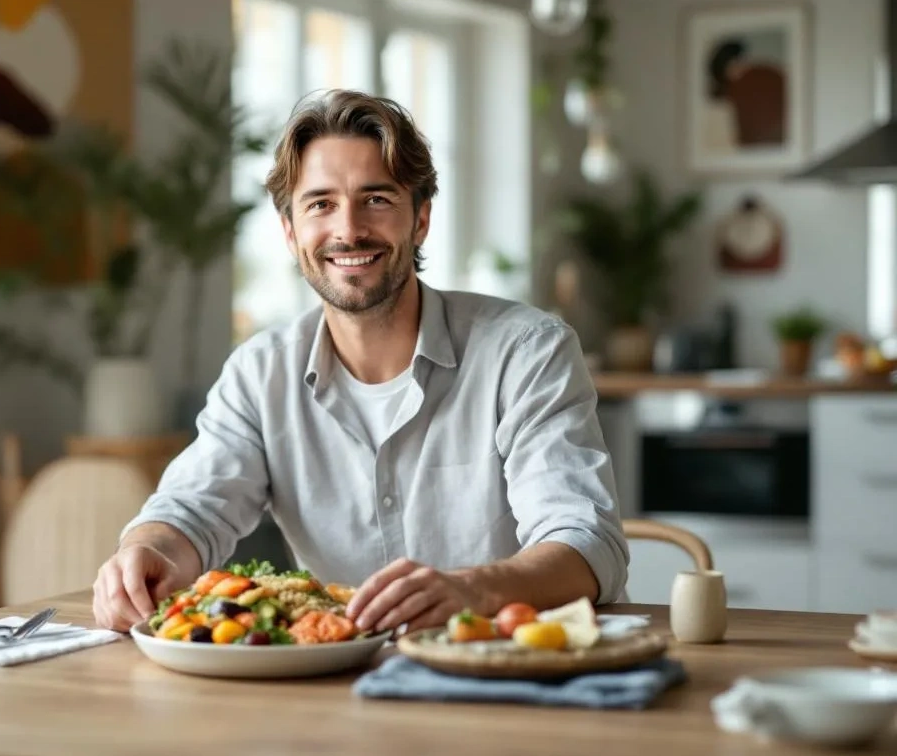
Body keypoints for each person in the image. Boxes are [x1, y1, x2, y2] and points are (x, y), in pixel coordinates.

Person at [92, 89, 628, 635]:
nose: (348, 230)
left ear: (420, 220)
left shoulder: (527, 353)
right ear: (290, 231)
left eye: (376, 199)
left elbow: (588, 543)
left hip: (515, 672)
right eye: (320, 203)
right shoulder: (259, 375)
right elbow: (192, 510)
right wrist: (147, 551)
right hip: (336, 686)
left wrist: (470, 589)